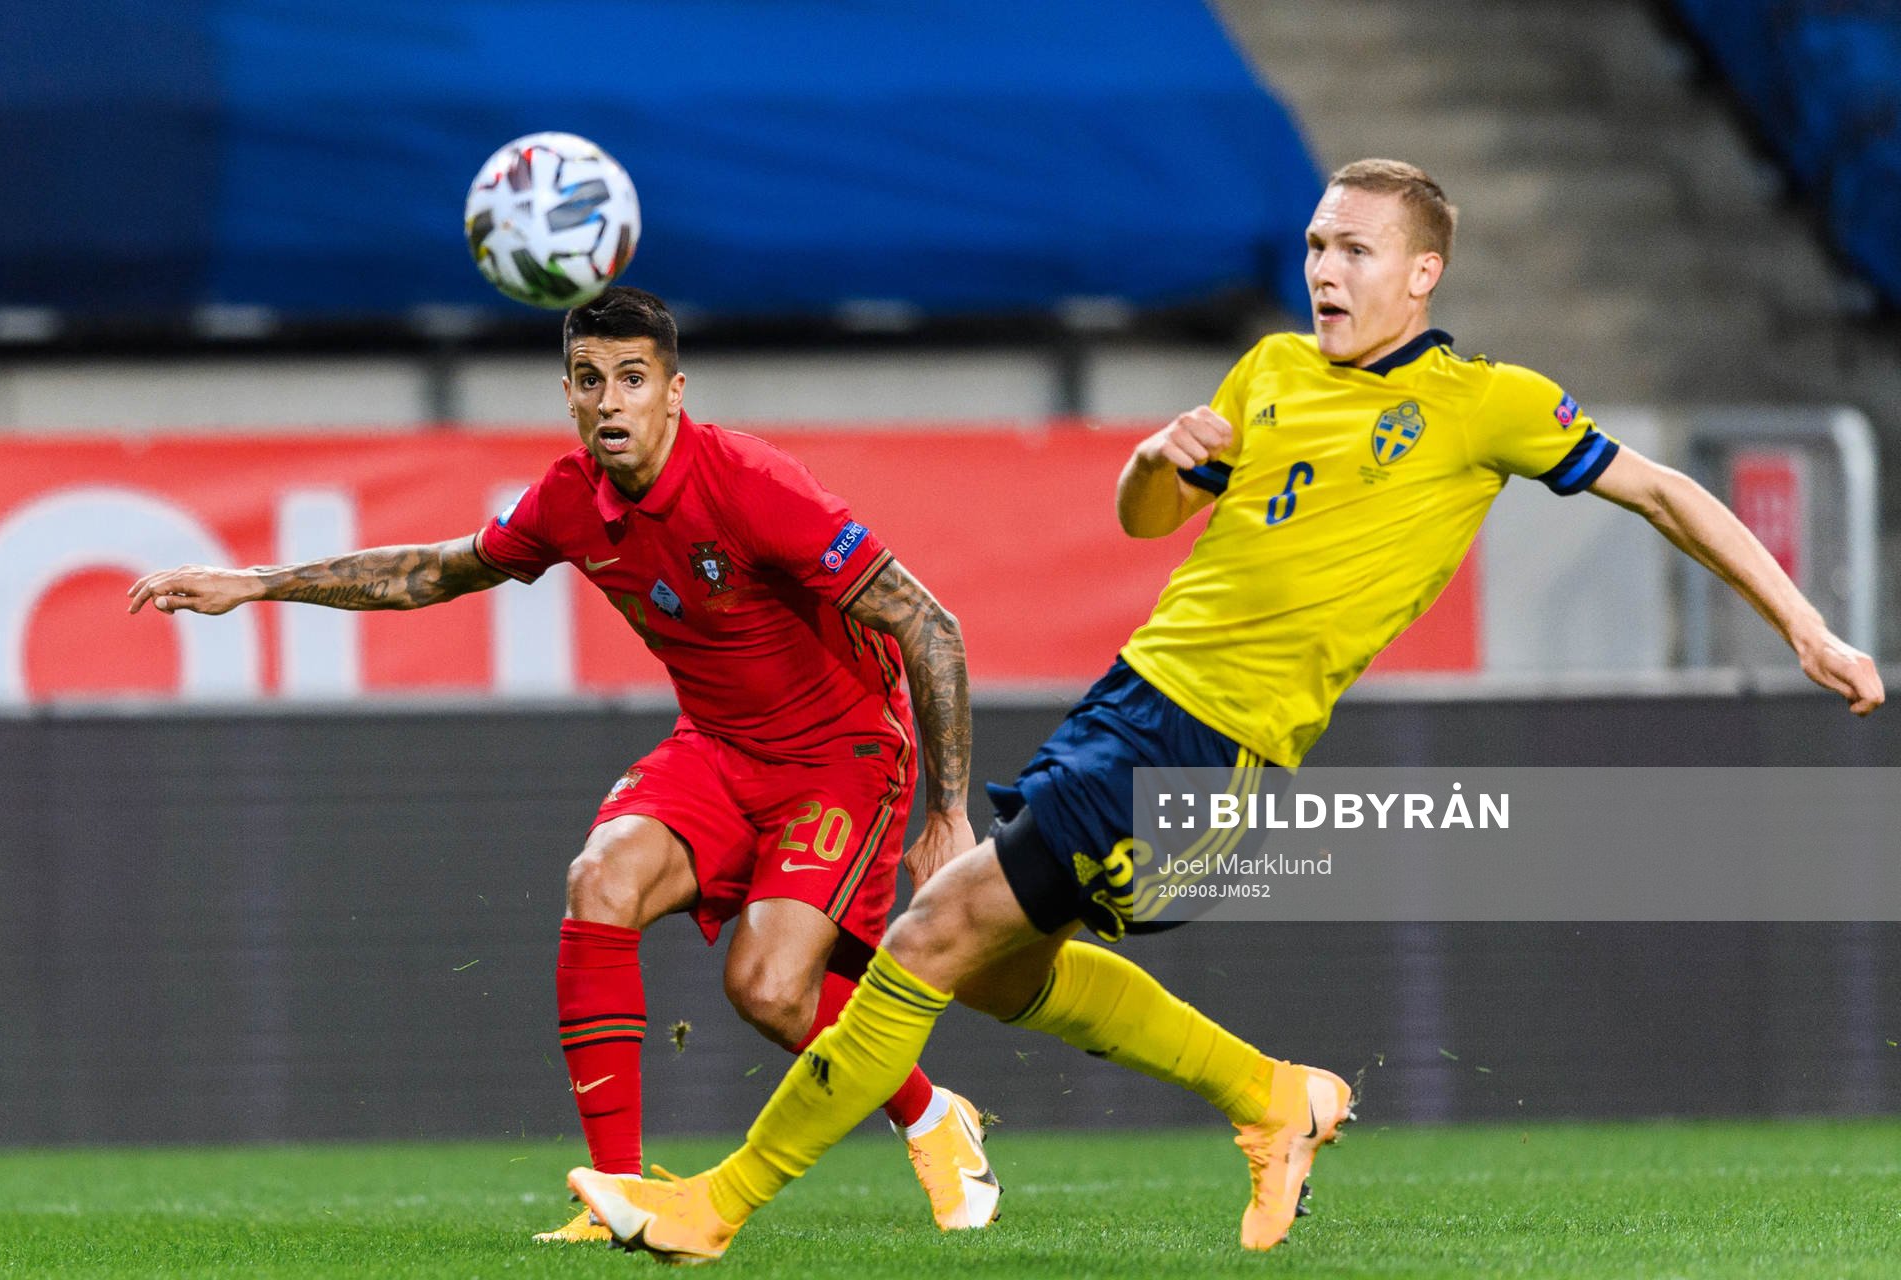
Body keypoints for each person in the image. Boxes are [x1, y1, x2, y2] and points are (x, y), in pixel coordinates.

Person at [565, 159, 1887, 1263]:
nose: (1326, 269)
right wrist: (1158, 457)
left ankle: (717, 1206)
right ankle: (1273, 1096)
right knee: (1006, 970)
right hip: (1129, 699)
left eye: (1357, 249)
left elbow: (1665, 492)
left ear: (1423, 273)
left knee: (930, 935)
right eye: (1315, 244)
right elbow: (1145, 519)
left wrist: (1806, 624)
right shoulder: (1271, 371)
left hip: (1211, 743)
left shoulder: (1488, 404)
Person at [125, 287, 999, 1243]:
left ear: (674, 392)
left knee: (769, 989)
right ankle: (612, 1197)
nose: (610, 401)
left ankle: (930, 1115)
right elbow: (436, 572)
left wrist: (948, 812)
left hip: (839, 754)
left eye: (632, 379)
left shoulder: (752, 483)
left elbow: (930, 624)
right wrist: (256, 583)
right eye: (590, 380)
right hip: (716, 744)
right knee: (600, 877)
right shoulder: (568, 499)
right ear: (569, 395)